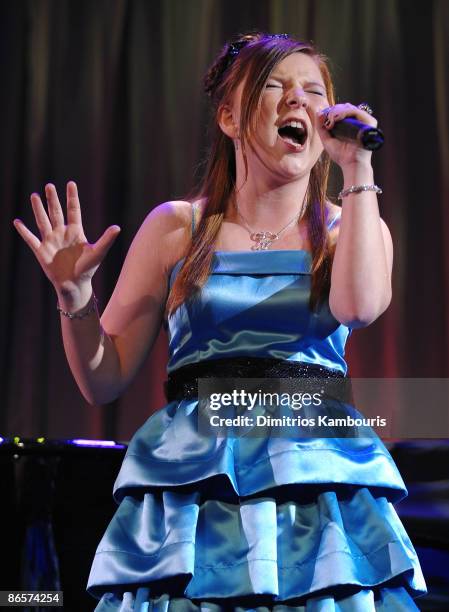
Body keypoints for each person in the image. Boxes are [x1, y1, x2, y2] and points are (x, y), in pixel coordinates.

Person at [14, 31, 426, 611]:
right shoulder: (176, 227)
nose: (297, 102)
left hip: (311, 476)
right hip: (195, 481)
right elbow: (102, 378)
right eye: (275, 87)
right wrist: (75, 297)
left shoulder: (348, 226)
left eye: (313, 91)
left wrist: (357, 165)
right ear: (230, 118)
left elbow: (358, 307)